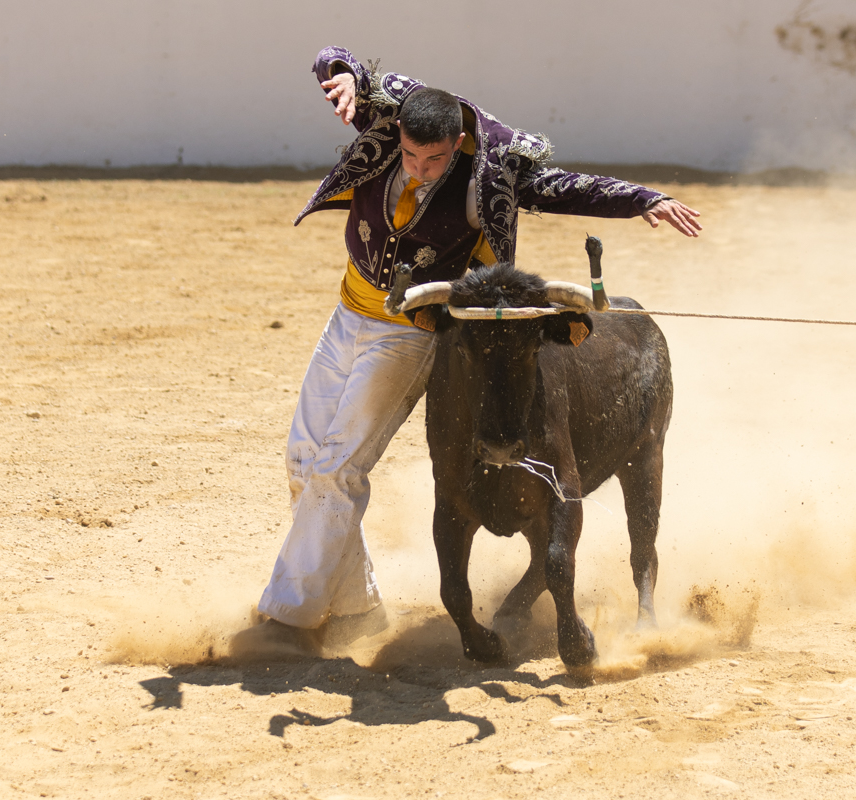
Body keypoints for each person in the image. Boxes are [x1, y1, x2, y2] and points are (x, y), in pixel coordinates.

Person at [232, 46, 701, 656]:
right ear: (397, 131)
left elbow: (563, 188)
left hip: (412, 330)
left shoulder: (493, 173)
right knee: (303, 463)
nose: (420, 168)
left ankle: (289, 618)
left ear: (456, 145)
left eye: (434, 159)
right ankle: (354, 607)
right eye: (409, 155)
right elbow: (334, 57)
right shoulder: (389, 116)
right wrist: (339, 73)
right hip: (349, 311)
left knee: (336, 467)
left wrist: (641, 199)